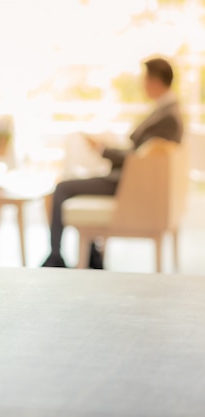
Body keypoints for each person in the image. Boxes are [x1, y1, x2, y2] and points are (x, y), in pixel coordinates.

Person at [42, 57, 183, 268]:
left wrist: (102, 149)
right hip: (130, 178)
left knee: (62, 187)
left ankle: (55, 257)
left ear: (155, 80)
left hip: (127, 183)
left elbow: (136, 159)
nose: (141, 84)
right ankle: (92, 258)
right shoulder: (167, 111)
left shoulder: (168, 117)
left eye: (144, 79)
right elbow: (140, 152)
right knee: (72, 183)